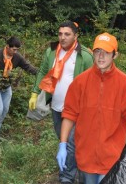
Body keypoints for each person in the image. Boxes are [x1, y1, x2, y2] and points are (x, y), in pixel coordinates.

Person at [56, 32, 126, 184]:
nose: (101, 56)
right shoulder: (80, 82)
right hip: (85, 156)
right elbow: (69, 115)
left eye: (106, 52)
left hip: (112, 156)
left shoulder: (124, 83)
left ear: (115, 55)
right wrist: (63, 144)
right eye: (97, 52)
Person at [28, 21, 93, 183]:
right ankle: (77, 164)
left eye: (67, 34)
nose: (62, 37)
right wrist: (35, 93)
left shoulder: (84, 55)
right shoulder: (52, 51)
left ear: (75, 36)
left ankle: (66, 177)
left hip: (76, 109)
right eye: (60, 34)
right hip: (56, 106)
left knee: (70, 143)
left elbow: (92, 82)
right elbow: (43, 70)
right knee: (63, 139)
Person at [0, 37, 37, 144]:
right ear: (7, 47)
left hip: (7, 87)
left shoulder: (17, 57)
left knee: (4, 110)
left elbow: (28, 67)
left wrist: (41, 74)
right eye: (14, 49)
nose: (15, 51)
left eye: (17, 50)